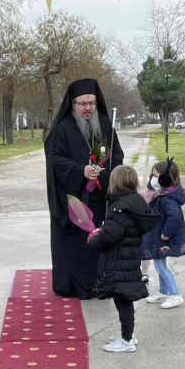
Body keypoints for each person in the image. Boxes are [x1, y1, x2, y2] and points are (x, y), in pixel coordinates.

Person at [44, 78, 125, 299]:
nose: (88, 108)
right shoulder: (62, 129)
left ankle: (100, 282)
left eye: (92, 103)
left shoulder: (106, 126)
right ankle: (74, 285)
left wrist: (105, 175)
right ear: (73, 104)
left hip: (99, 198)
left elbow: (116, 157)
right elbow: (55, 160)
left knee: (99, 243)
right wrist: (81, 171)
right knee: (76, 246)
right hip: (73, 199)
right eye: (83, 103)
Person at [88, 165, 157, 353]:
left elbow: (110, 236)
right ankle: (128, 334)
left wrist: (94, 237)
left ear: (115, 183)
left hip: (119, 262)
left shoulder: (120, 208)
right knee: (124, 301)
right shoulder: (135, 202)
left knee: (123, 300)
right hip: (128, 260)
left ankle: (126, 340)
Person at [142, 157, 185, 309]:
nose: (153, 179)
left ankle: (175, 294)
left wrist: (165, 234)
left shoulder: (168, 199)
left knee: (160, 265)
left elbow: (174, 217)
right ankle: (163, 292)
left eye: (156, 176)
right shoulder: (164, 194)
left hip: (163, 239)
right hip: (160, 238)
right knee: (159, 262)